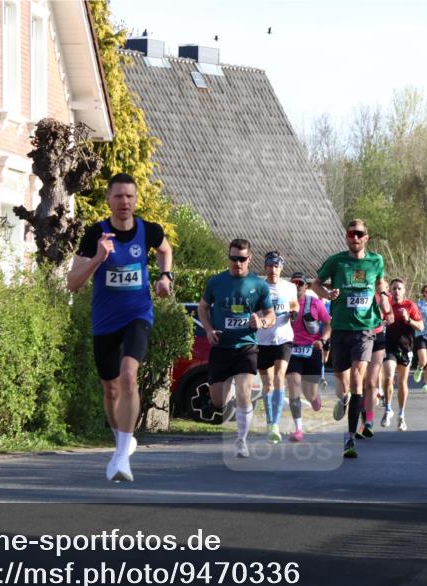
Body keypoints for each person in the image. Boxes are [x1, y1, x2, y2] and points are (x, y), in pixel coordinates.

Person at [67, 173, 173, 482]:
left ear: (135, 200)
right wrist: (98, 258)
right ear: (108, 200)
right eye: (118, 196)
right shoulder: (94, 234)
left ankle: (122, 456)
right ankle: (121, 443)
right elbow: (73, 284)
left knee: (129, 376)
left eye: (129, 196)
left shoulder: (149, 231)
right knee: (110, 388)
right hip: (104, 321)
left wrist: (166, 277)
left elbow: (165, 250)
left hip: (138, 314)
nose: (124, 202)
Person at [311, 219, 384, 459]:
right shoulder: (337, 261)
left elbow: (380, 286)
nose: (354, 237)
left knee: (357, 378)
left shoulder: (376, 261)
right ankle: (343, 400)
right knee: (342, 379)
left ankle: (351, 437)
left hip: (365, 329)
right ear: (346, 236)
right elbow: (316, 284)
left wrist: (385, 306)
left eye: (359, 234)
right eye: (351, 233)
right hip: (341, 328)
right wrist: (327, 294)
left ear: (366, 237)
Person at [197, 239, 274, 458]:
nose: (237, 263)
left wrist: (261, 323)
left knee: (244, 393)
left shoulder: (258, 285)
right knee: (218, 401)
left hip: (246, 346)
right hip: (221, 347)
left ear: (249, 258)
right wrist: (209, 329)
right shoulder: (216, 282)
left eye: (242, 259)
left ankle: (241, 440)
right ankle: (227, 391)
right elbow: (203, 307)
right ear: (228, 257)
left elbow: (270, 315)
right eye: (233, 258)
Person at [255, 251, 298, 444]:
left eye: (276, 266)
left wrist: (295, 311)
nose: (273, 270)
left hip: (284, 338)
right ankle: (270, 421)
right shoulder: (258, 287)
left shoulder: (289, 287)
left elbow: (294, 303)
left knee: (280, 377)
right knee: (268, 384)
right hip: (263, 340)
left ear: (281, 268)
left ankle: (275, 424)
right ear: (265, 267)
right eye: (269, 266)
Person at [286, 271, 331, 442]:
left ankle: (314, 398)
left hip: (312, 349)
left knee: (309, 394)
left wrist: (323, 339)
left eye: (300, 283)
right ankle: (298, 429)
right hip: (292, 349)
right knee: (293, 384)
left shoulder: (315, 303)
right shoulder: (286, 303)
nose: (297, 287)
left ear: (306, 286)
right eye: (294, 283)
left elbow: (328, 323)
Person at [381, 279, 422, 431]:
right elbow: (378, 321)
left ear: (404, 291)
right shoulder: (387, 305)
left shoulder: (410, 305)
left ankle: (401, 415)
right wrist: (383, 323)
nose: (396, 291)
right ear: (390, 291)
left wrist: (408, 319)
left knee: (402, 382)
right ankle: (388, 409)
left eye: (399, 288)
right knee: (388, 377)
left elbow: (421, 326)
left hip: (405, 348)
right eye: (394, 289)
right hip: (389, 347)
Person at [357, 277, 393, 439]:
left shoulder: (384, 297)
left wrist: (388, 316)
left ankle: (369, 423)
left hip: (378, 338)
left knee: (371, 382)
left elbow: (389, 313)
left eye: (381, 284)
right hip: (359, 338)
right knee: (360, 384)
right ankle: (361, 420)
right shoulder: (360, 294)